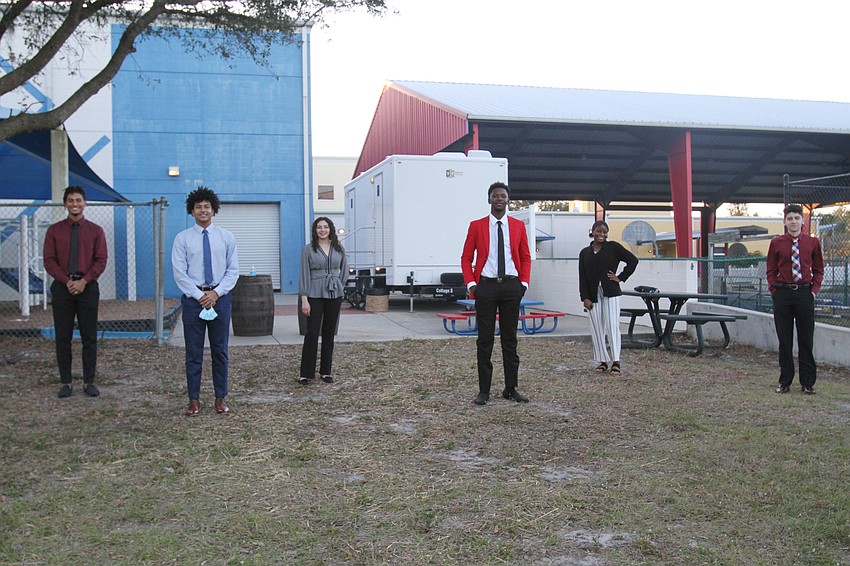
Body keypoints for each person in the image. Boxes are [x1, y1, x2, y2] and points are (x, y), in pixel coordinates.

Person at [461, 181, 532, 406]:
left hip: (511, 287)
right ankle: (484, 391)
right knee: (485, 340)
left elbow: (525, 257)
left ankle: (511, 389)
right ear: (489, 199)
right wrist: (472, 284)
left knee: (510, 340)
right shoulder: (477, 226)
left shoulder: (517, 226)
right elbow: (466, 257)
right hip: (486, 287)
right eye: (495, 195)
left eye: (503, 196)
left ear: (508, 200)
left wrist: (523, 283)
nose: (499, 199)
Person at [172, 186, 239, 415]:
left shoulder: (226, 237)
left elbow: (233, 270)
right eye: (198, 207)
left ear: (213, 210)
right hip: (194, 301)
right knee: (194, 353)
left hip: (220, 299)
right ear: (192, 211)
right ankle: (194, 399)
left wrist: (216, 293)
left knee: (220, 351)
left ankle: (220, 398)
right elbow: (180, 273)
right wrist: (200, 295)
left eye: (207, 206)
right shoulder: (182, 239)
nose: (203, 210)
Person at [43, 186, 108, 398]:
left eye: (78, 200)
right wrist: (67, 281)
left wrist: (84, 281)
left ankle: (89, 381)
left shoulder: (96, 231)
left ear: (84, 203)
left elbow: (101, 260)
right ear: (65, 204)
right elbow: (49, 261)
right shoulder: (54, 231)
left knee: (89, 336)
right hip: (62, 288)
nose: (75, 204)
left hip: (88, 288)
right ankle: (66, 382)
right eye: (70, 200)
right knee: (63, 337)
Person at [766, 203, 824, 395]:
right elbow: (771, 270)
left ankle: (807, 383)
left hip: (804, 294)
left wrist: (813, 290)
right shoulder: (776, 243)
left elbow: (819, 269)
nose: (793, 222)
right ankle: (785, 381)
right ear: (785, 221)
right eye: (790, 218)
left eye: (797, 218)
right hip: (782, 294)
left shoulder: (813, 243)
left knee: (806, 339)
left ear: (802, 221)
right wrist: (774, 290)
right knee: (785, 340)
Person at [578, 220, 639, 375]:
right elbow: (582, 277)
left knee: (612, 325)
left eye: (605, 232)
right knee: (597, 327)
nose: (602, 234)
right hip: (592, 295)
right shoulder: (585, 253)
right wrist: (584, 297)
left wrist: (621, 277)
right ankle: (602, 360)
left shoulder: (613, 247)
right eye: (599, 231)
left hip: (611, 292)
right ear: (592, 231)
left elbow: (633, 260)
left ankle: (616, 361)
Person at [298, 217, 348, 384]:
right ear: (315, 230)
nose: (322, 230)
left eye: (325, 227)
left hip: (334, 293)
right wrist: (304, 299)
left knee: (329, 332)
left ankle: (326, 371)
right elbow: (304, 274)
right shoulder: (308, 249)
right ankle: (306, 373)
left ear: (330, 229)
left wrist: (339, 284)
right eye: (319, 227)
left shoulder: (338, 248)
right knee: (312, 332)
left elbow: (345, 269)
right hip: (314, 293)